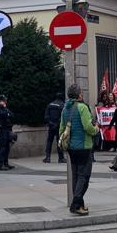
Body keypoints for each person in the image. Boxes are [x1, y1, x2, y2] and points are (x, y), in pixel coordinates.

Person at [59, 84, 97, 215]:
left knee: (76, 175)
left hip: (71, 148)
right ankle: (76, 203)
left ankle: (80, 205)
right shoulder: (82, 108)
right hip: (83, 147)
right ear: (79, 94)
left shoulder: (65, 109)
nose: (82, 94)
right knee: (84, 176)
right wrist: (96, 129)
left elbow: (61, 129)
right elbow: (88, 127)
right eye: (81, 92)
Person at [0, 95, 15, 171]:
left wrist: (6, 110)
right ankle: (1, 165)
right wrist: (6, 113)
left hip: (7, 129)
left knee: (7, 147)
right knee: (2, 147)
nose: (5, 102)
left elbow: (11, 115)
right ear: (0, 101)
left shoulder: (4, 108)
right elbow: (3, 114)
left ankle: (6, 163)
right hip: (1, 129)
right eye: (4, 100)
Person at [43, 92, 65, 164]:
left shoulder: (50, 104)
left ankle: (47, 157)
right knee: (59, 141)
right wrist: (57, 124)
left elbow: (46, 116)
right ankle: (61, 158)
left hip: (51, 126)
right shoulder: (62, 105)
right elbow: (63, 117)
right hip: (58, 126)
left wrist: (50, 123)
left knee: (49, 141)